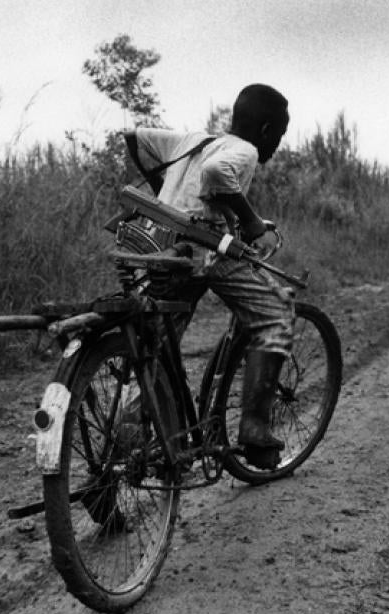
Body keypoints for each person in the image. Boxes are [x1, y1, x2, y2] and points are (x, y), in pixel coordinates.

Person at [122, 83, 293, 470]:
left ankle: (132, 441)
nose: (276, 146)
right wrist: (250, 223)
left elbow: (136, 139)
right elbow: (217, 173)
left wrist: (167, 197)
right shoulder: (245, 150)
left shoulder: (195, 140)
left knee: (158, 346)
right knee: (276, 312)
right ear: (266, 130)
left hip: (157, 247)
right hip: (199, 252)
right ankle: (254, 429)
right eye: (279, 136)